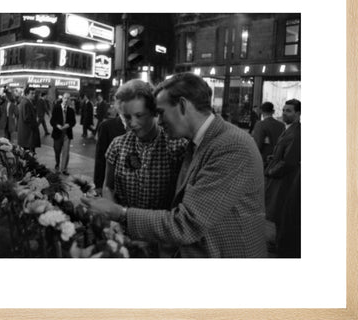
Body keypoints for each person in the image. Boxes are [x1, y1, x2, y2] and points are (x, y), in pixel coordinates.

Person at [82, 73, 267, 258]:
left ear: (183, 105)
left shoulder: (230, 145)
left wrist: (120, 213)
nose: (159, 121)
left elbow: (187, 223)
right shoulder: (198, 142)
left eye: (160, 113)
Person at [101, 79, 188, 210]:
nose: (133, 123)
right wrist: (112, 215)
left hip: (160, 227)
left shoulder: (177, 146)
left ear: (154, 112)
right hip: (122, 227)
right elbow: (108, 187)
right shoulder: (117, 145)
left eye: (139, 115)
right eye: (127, 117)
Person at [264, 99, 301, 258]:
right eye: (284, 110)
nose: (284, 113)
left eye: (289, 111)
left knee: (282, 211)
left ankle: (281, 245)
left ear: (298, 114)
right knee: (279, 212)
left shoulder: (296, 132)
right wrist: (274, 157)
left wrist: (271, 171)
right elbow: (283, 153)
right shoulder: (289, 129)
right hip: (281, 177)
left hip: (285, 180)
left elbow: (289, 161)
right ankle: (278, 242)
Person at [93, 98, 127, 192]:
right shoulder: (107, 126)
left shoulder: (140, 126)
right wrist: (98, 185)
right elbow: (100, 157)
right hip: (113, 184)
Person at [50, 92, 76, 175]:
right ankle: (57, 164)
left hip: (67, 134)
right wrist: (57, 125)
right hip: (57, 133)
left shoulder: (71, 110)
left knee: (66, 152)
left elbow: (73, 122)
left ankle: (63, 169)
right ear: (62, 98)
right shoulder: (56, 108)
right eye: (65, 98)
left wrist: (68, 125)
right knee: (57, 151)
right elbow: (52, 121)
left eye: (68, 98)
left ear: (69, 100)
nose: (66, 100)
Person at [17, 87, 40, 151]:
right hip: (28, 134)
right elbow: (26, 118)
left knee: (27, 153)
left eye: (34, 93)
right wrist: (35, 123)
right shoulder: (26, 103)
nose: (34, 95)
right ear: (26, 94)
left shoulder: (26, 102)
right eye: (32, 93)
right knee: (29, 154)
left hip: (26, 134)